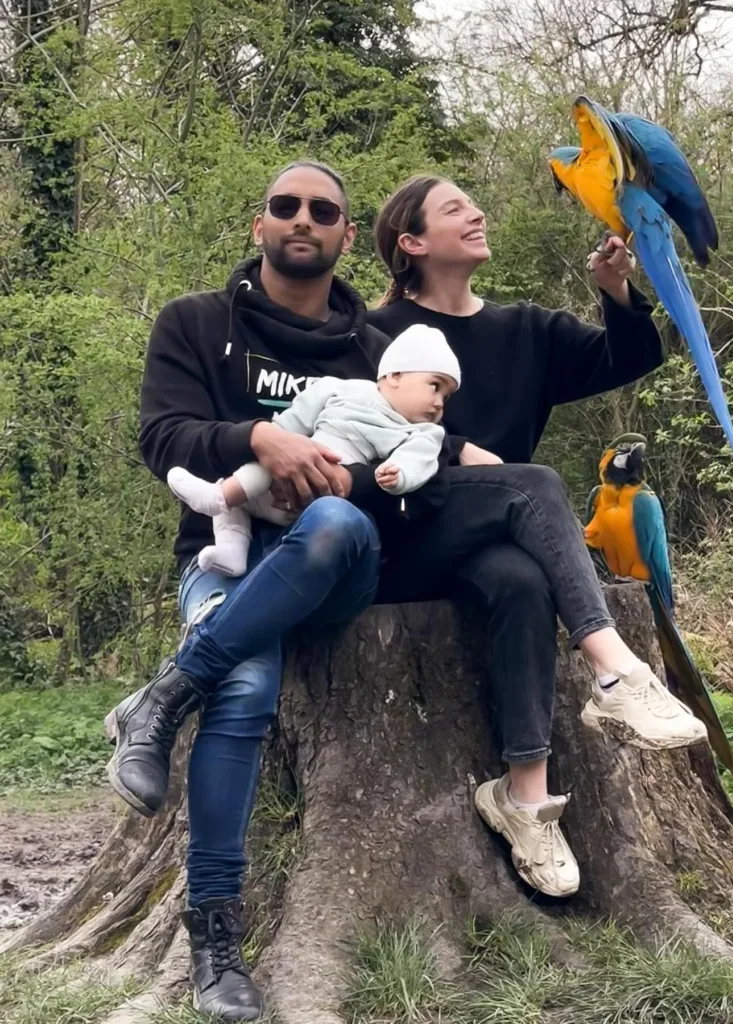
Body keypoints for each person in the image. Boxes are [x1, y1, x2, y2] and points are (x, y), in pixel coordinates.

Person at [105, 161, 462, 1021]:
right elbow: (163, 440)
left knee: (339, 526)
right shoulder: (194, 322)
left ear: (346, 236)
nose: (303, 219)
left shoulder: (378, 353)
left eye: (324, 211)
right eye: (284, 206)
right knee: (247, 686)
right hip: (225, 554)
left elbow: (417, 465)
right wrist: (261, 437)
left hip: (332, 567)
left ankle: (164, 693)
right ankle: (214, 936)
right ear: (259, 224)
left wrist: (345, 483)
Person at [367, 174, 706, 898]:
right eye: (455, 208)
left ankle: (524, 800)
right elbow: (352, 425)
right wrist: (454, 448)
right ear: (412, 243)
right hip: (406, 534)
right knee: (539, 481)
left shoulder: (525, 331)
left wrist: (613, 289)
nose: (478, 211)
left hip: (494, 548)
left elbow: (631, 357)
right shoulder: (377, 336)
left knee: (522, 583)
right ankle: (615, 672)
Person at [165, 324, 460, 576]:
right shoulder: (343, 389)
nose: (439, 404)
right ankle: (231, 548)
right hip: (280, 474)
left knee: (262, 477)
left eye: (446, 397)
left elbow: (417, 461)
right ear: (395, 375)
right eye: (434, 386)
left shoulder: (423, 432)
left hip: (315, 496)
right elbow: (299, 415)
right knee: (255, 479)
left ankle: (218, 497)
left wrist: (399, 475)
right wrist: (274, 439)